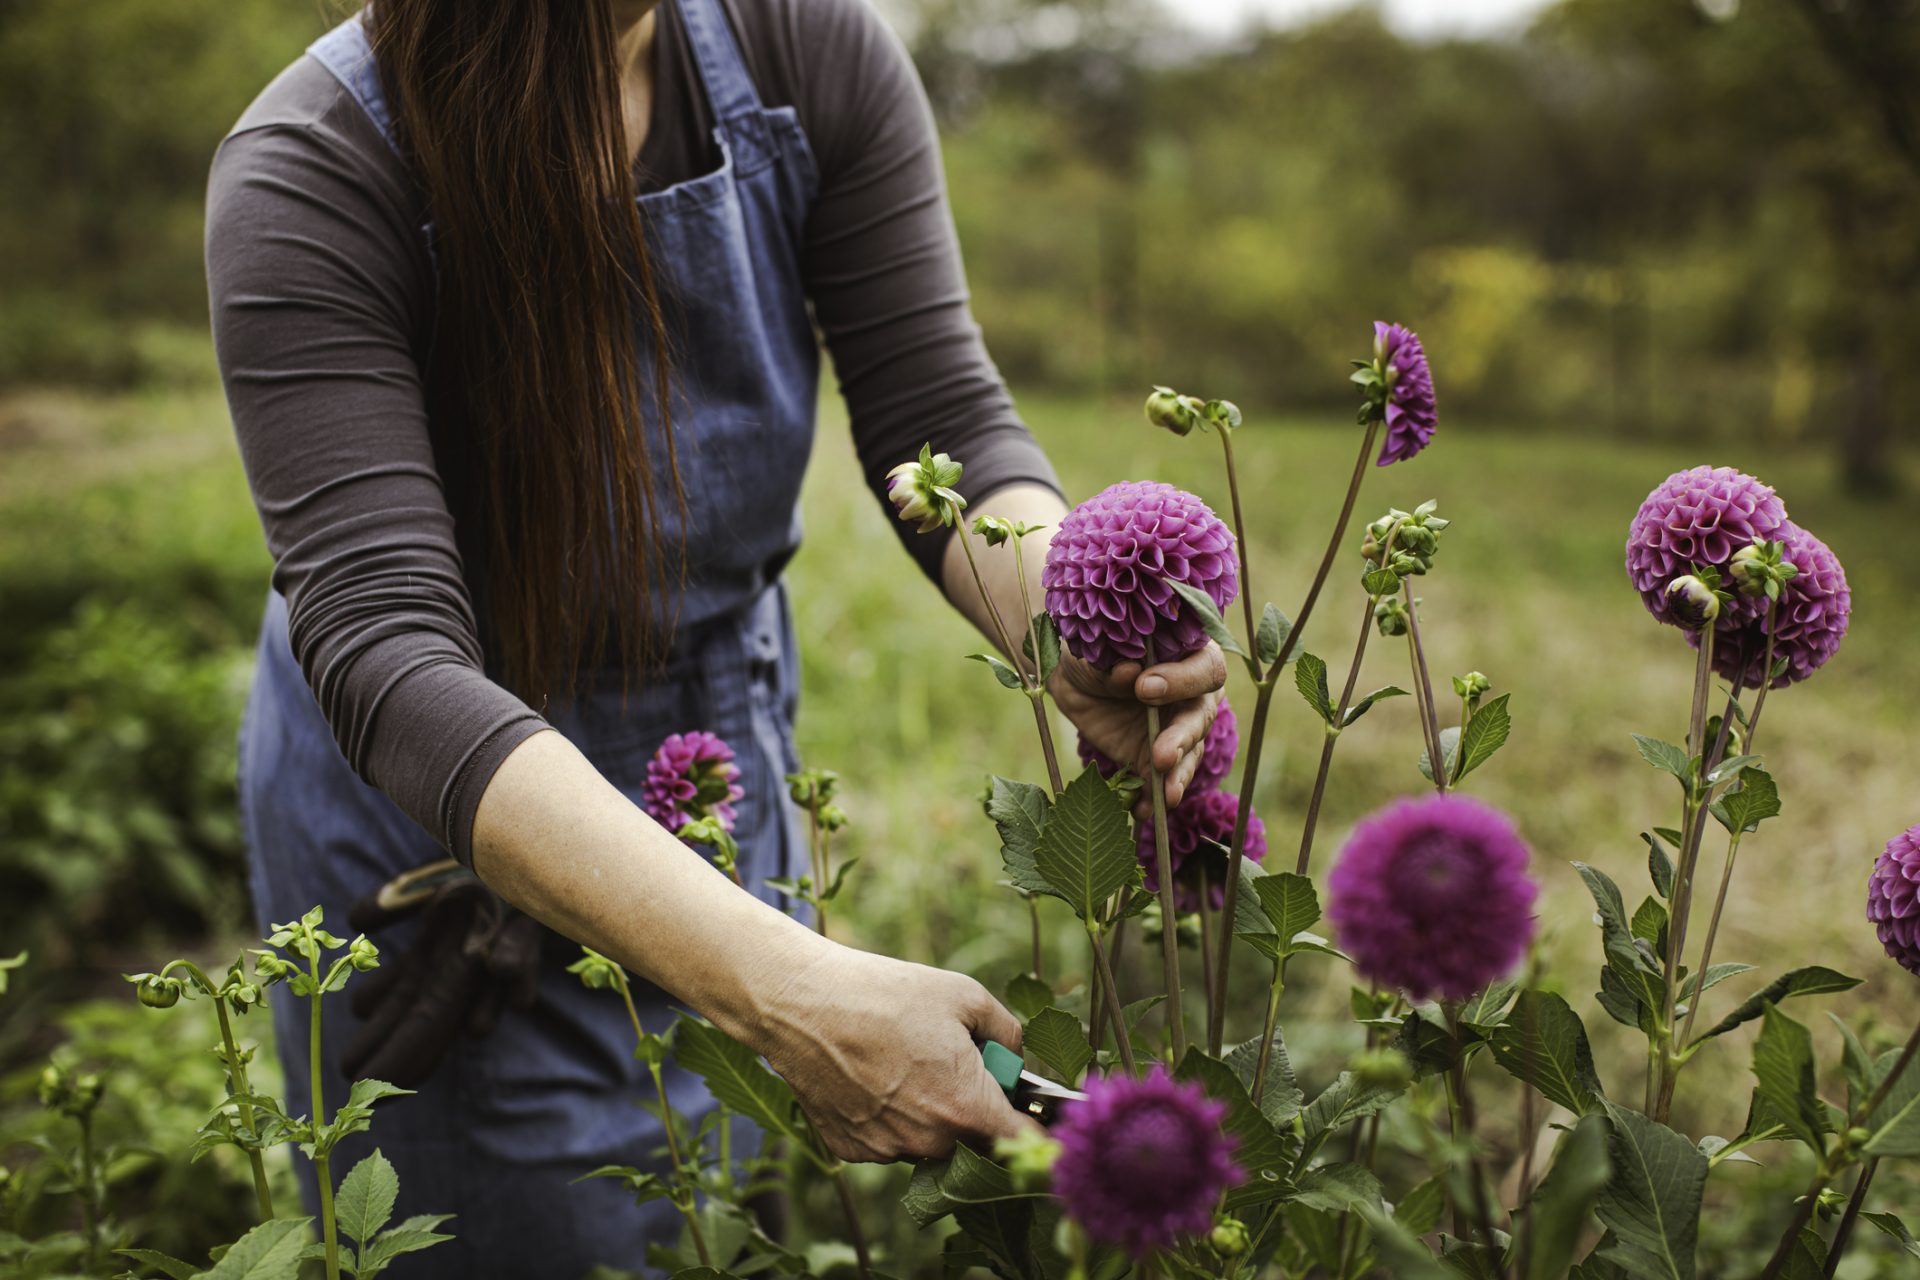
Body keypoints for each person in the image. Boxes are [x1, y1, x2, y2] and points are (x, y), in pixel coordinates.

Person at [205, 0, 1225, 1273]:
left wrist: (1074, 616)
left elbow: (937, 408)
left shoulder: (809, 53)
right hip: (445, 811)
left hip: (711, 751)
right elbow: (391, 656)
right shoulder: (314, 165)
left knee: (717, 1221)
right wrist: (794, 992)